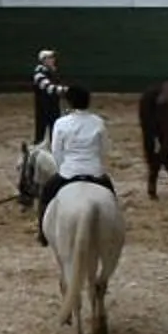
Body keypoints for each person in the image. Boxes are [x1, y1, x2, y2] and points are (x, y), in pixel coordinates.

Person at [36, 83, 113, 242]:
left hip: (68, 172)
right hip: (95, 172)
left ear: (70, 102)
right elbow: (104, 149)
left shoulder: (61, 123)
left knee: (45, 195)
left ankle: (42, 233)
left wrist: (62, 168)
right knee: (111, 196)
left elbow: (56, 151)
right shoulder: (98, 122)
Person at [30, 48, 66, 142]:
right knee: (41, 130)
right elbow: (48, 87)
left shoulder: (52, 72)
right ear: (43, 60)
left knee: (54, 129)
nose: (53, 60)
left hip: (53, 105)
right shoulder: (39, 73)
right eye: (50, 58)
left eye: (53, 57)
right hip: (44, 106)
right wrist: (65, 91)